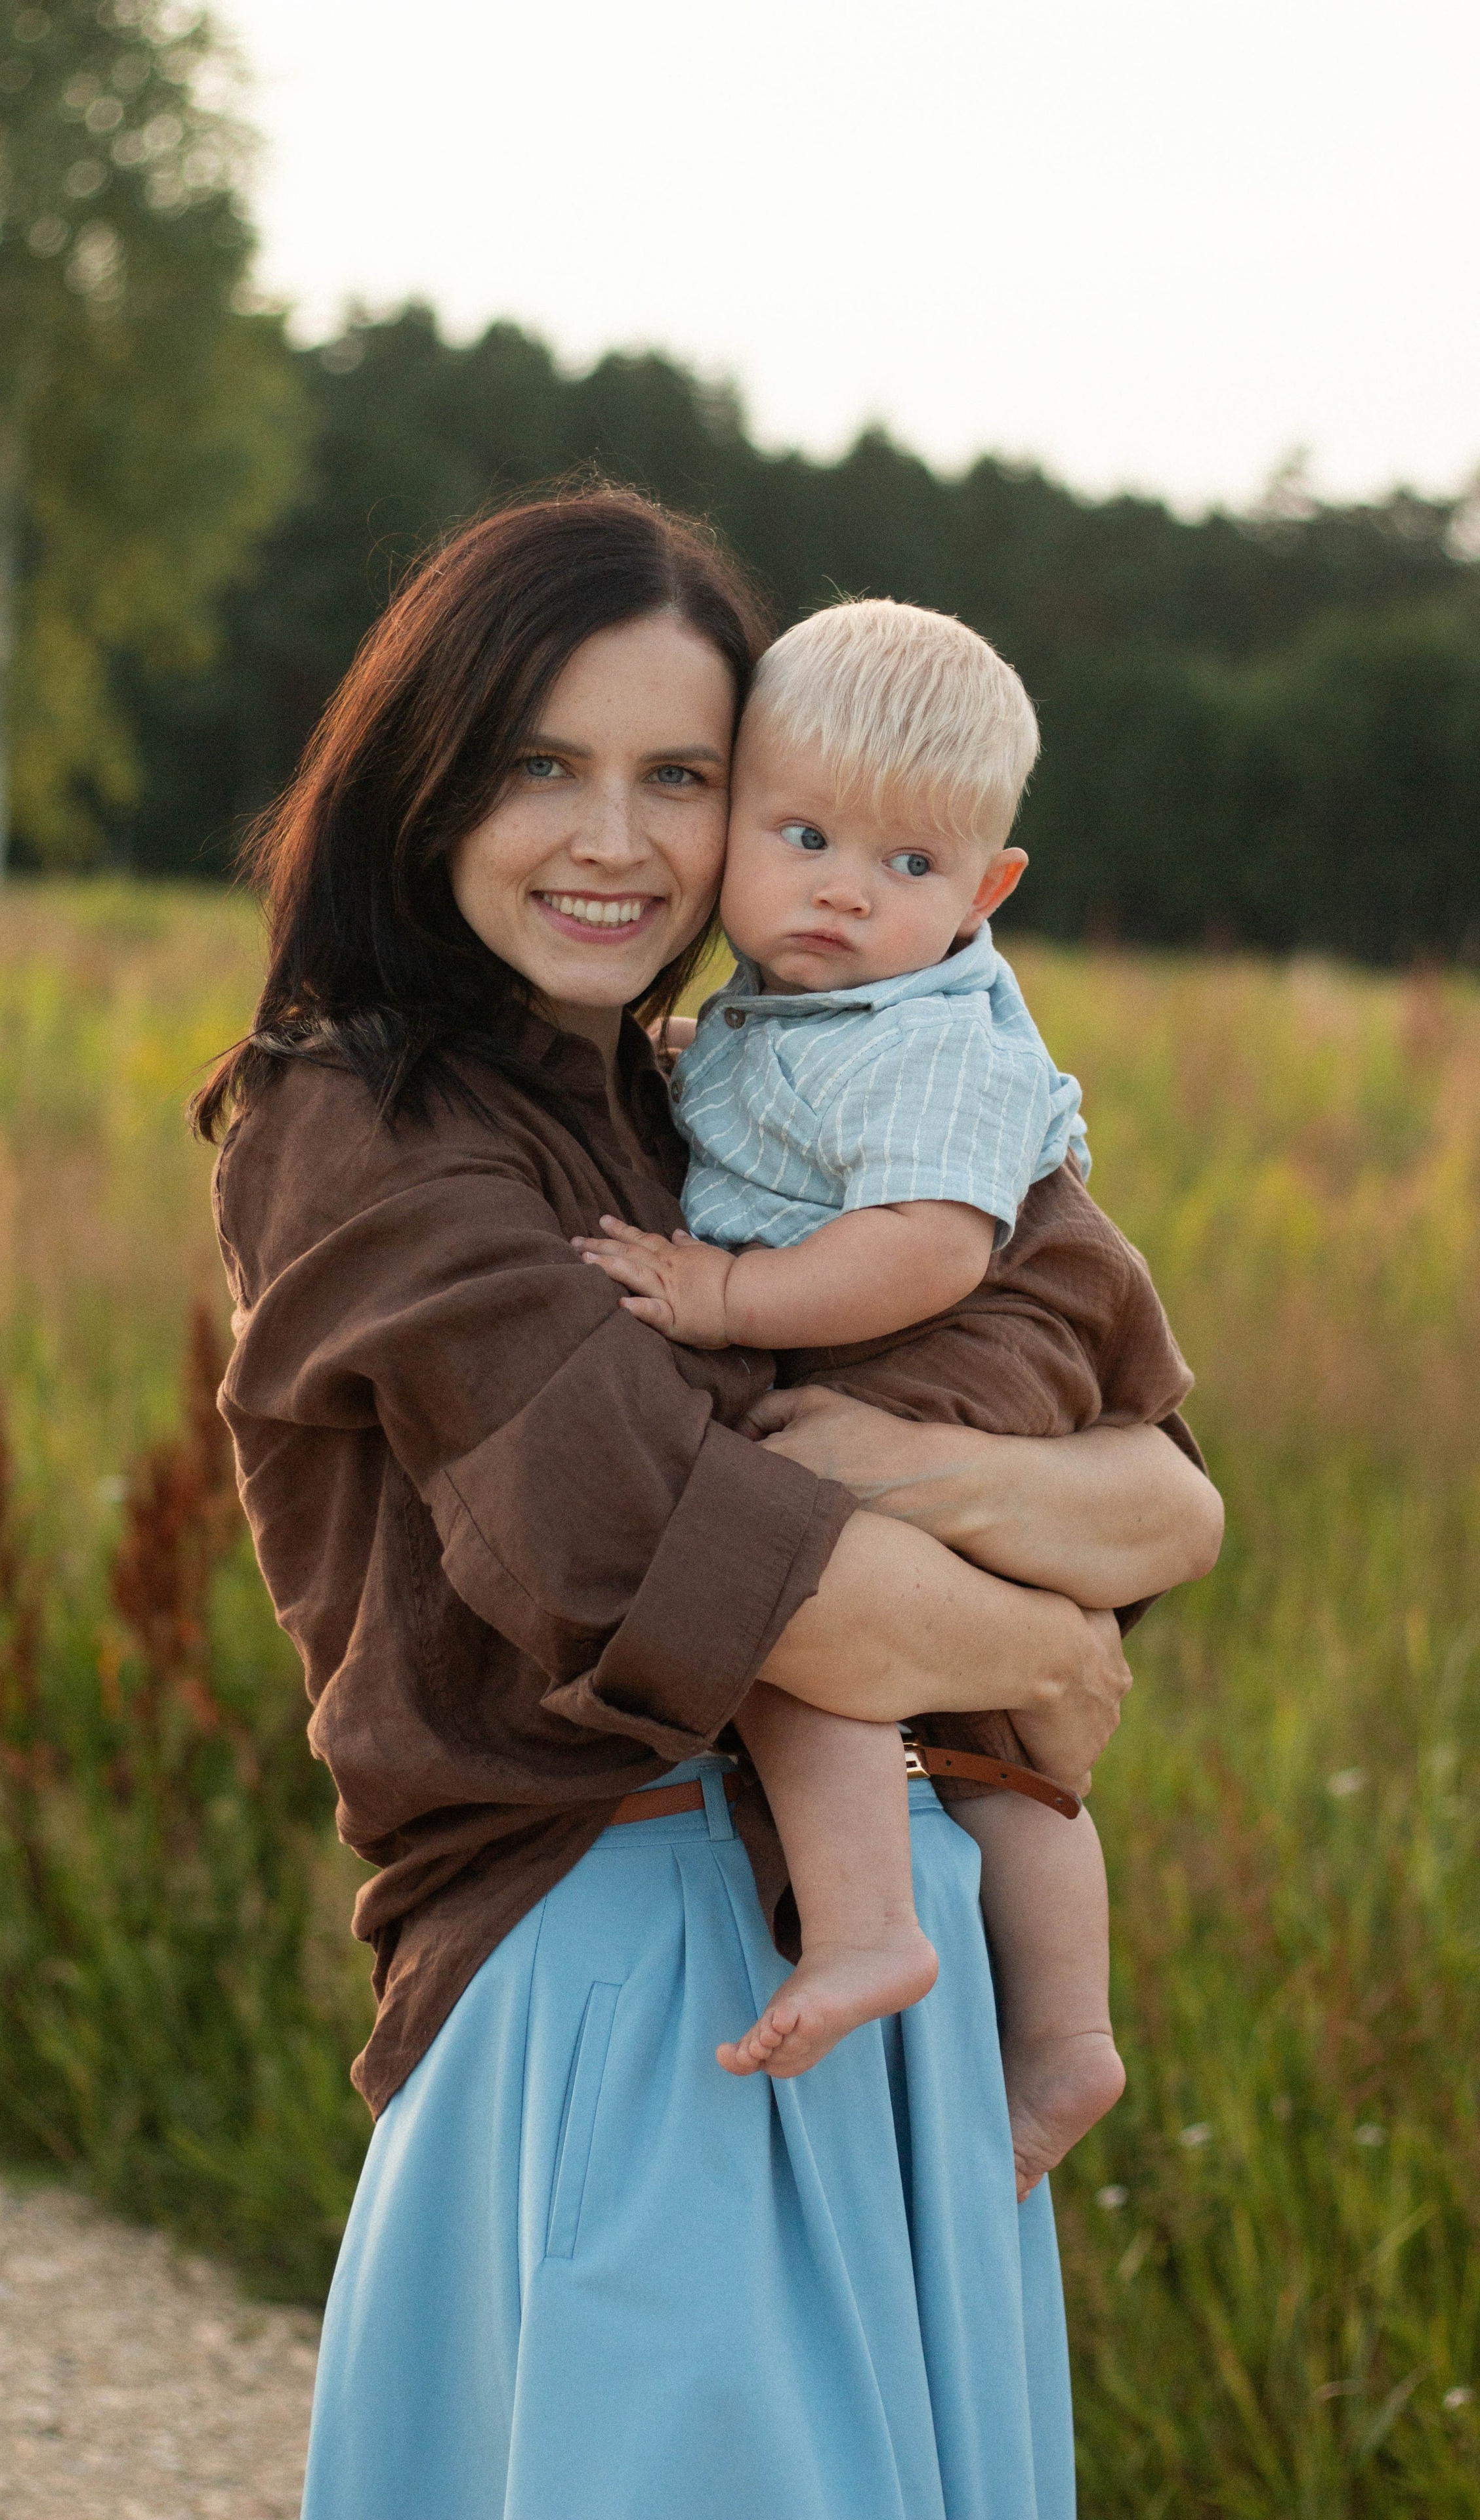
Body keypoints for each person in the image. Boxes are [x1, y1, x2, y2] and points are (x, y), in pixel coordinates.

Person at [194, 488, 1223, 2520]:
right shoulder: (362, 1132)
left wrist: (934, 1492)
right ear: (423, 787)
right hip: (635, 1969)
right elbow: (682, 1574)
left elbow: (1167, 1497)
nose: (617, 840)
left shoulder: (760, 1091)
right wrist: (1032, 1637)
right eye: (539, 768)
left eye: (680, 775)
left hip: (897, 1964)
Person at [575, 598, 1198, 2196]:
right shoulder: (797, 1003)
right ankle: (1066, 2036)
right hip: (931, 1321)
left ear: (985, 891)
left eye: (909, 867)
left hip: (955, 1320)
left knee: (782, 1585)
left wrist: (724, 1297)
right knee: (987, 1728)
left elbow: (920, 1247)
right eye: (800, 836)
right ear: (737, 830)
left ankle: (865, 1932)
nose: (844, 889)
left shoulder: (922, 1045)